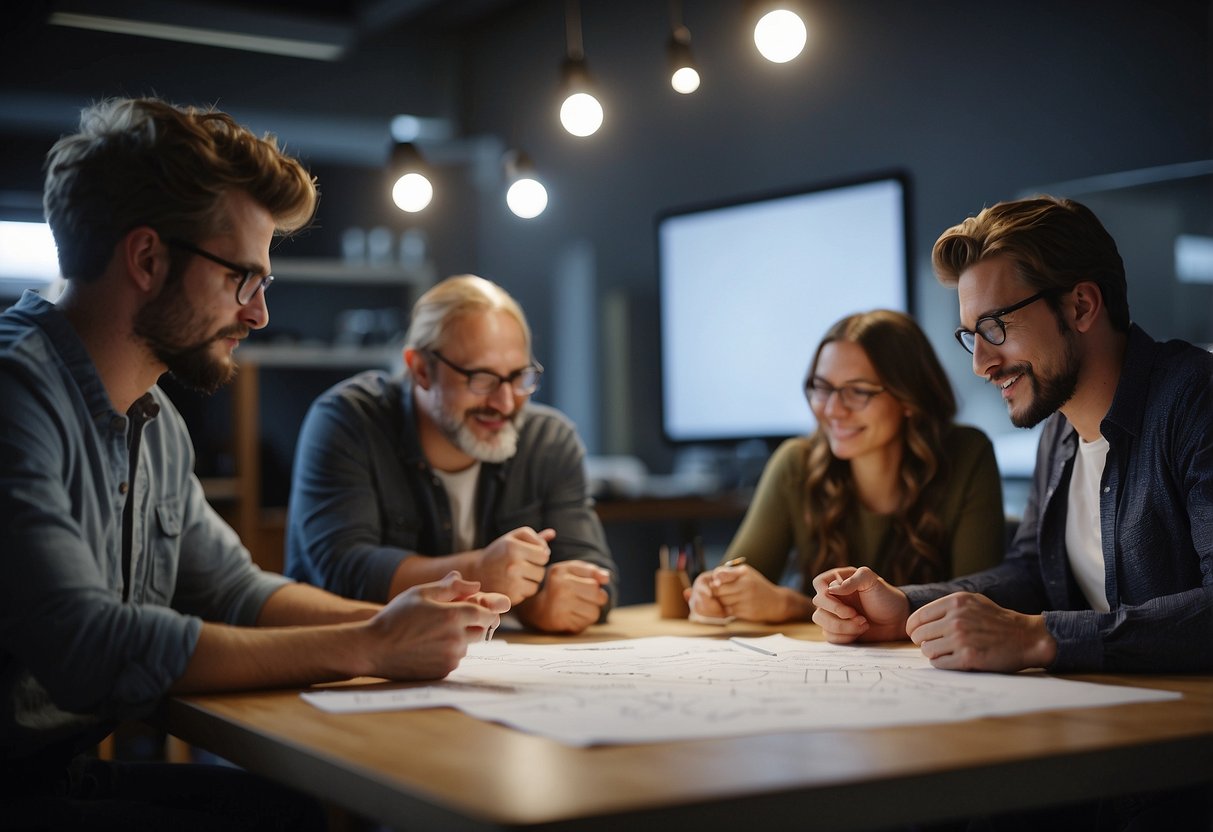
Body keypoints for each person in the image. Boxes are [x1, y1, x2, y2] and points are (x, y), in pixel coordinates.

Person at [0, 97, 509, 830]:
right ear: (147, 258)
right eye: (244, 278)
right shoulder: (15, 394)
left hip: (58, 774)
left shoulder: (155, 421)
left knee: (300, 813)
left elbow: (236, 589)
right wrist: (370, 643)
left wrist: (409, 623)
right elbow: (89, 645)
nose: (259, 313)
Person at [812, 195, 1212, 832]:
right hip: (1089, 752)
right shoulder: (1058, 429)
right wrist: (905, 607)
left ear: (1081, 305)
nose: (981, 363)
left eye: (997, 326)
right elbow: (1032, 569)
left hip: (1175, 784)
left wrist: (1037, 636)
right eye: (972, 334)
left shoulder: (1195, 401)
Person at [286, 274, 618, 634]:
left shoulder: (549, 441)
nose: (505, 403)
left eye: (518, 376)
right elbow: (343, 571)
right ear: (420, 370)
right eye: (482, 378)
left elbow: (596, 575)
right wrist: (478, 573)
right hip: (345, 669)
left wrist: (549, 604)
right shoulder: (348, 421)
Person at [687, 310, 1006, 624]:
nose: (832, 410)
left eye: (857, 391)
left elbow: (977, 606)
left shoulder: (967, 455)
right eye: (822, 387)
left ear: (909, 397)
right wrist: (717, 593)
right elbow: (740, 579)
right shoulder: (796, 464)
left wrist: (793, 606)